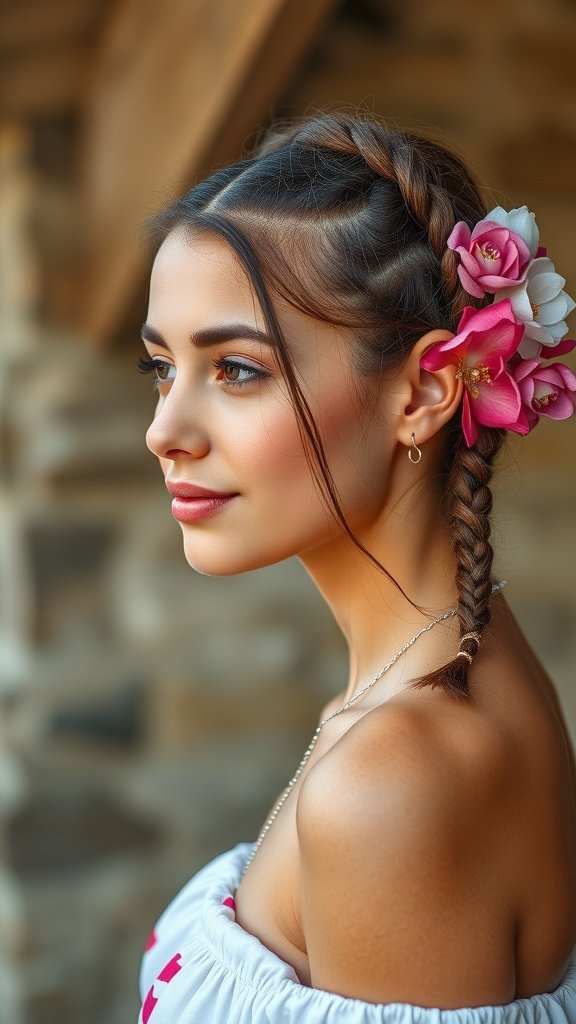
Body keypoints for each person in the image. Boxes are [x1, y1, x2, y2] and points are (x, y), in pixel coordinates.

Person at [136, 112, 576, 1023]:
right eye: (161, 368)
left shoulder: (394, 782)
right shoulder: (467, 657)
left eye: (237, 370)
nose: (163, 432)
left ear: (421, 392)